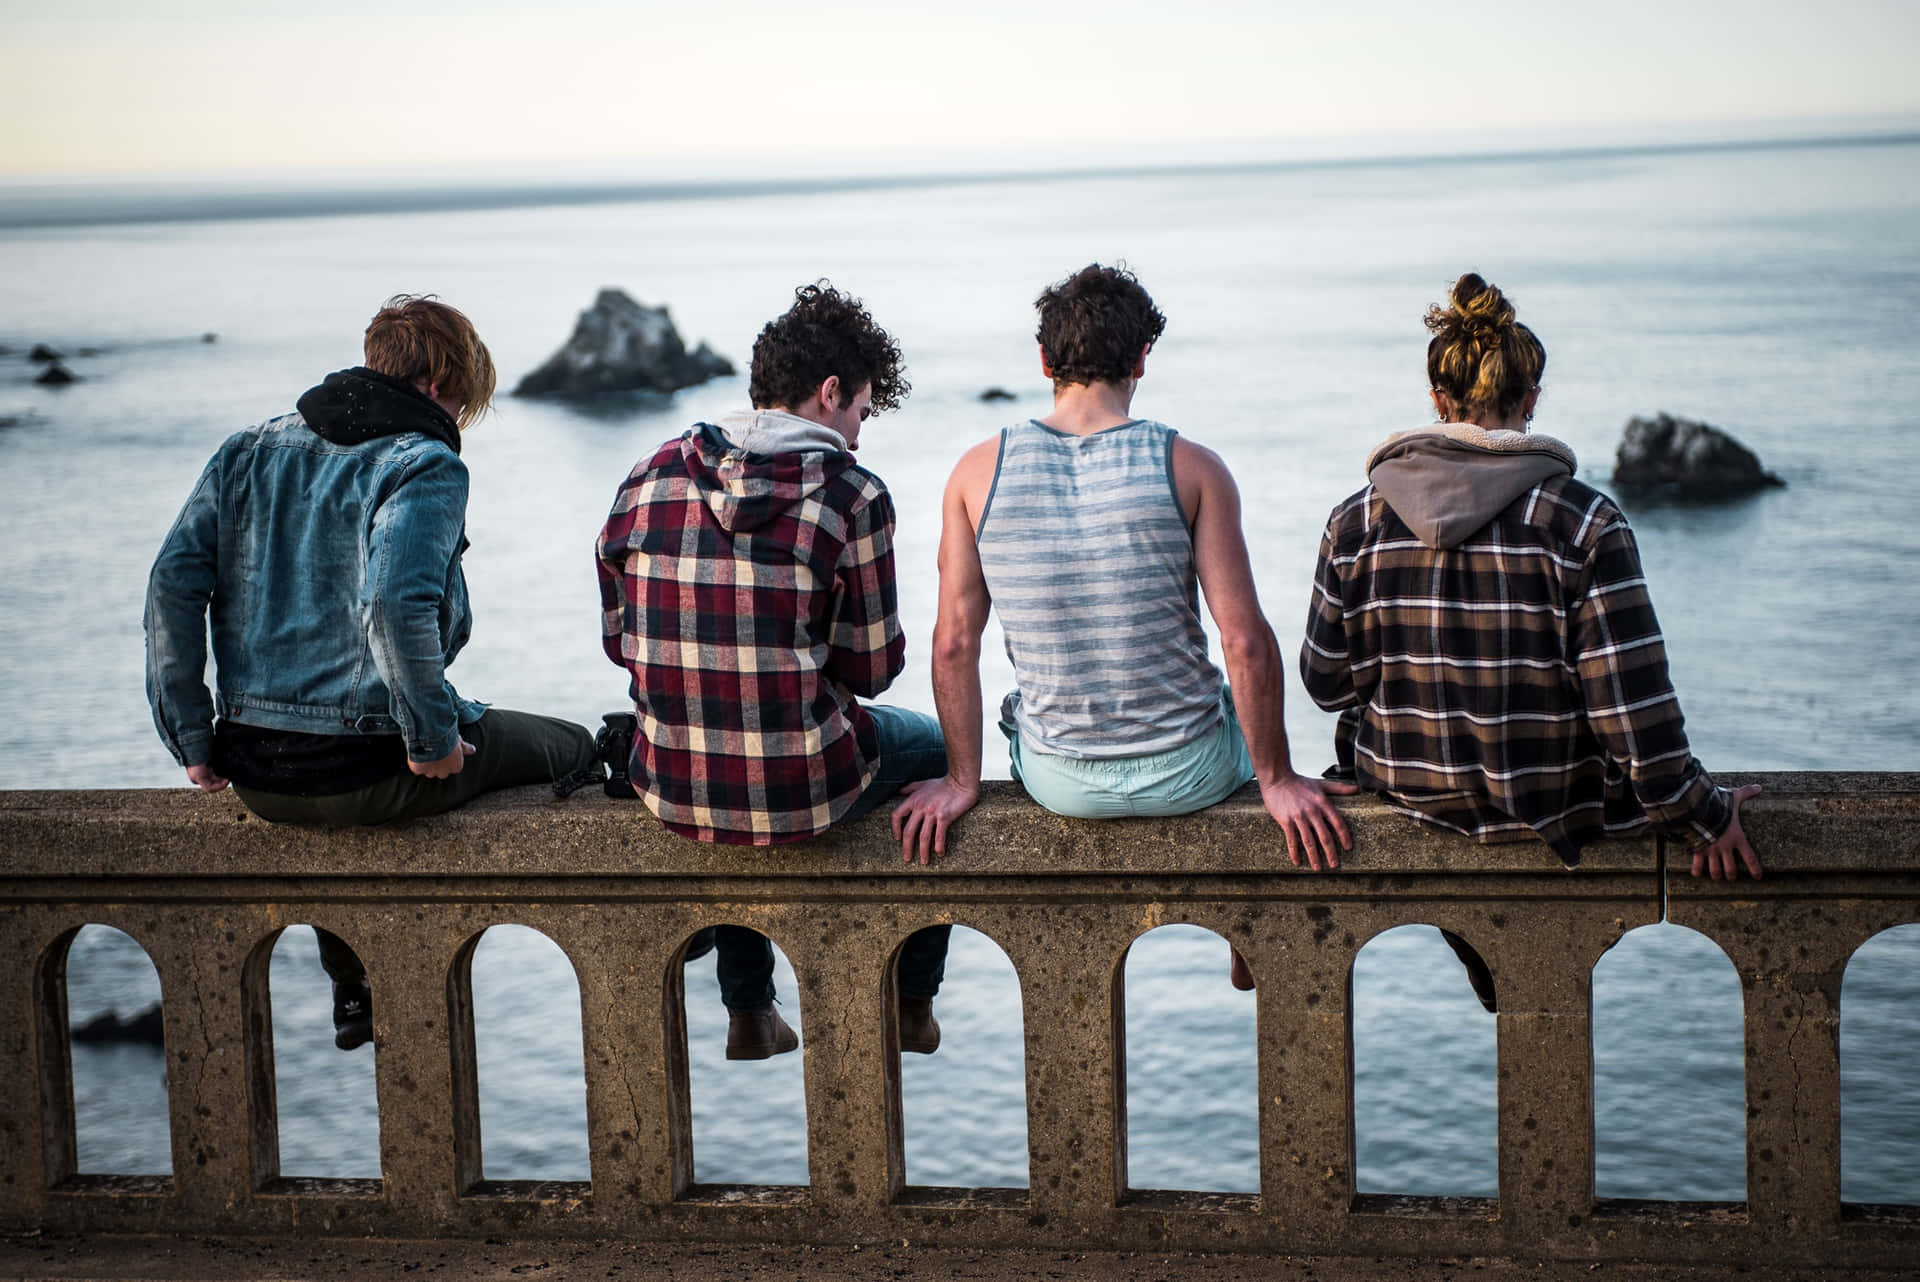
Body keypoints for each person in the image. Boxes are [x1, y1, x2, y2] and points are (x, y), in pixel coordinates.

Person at [145, 294, 598, 1051]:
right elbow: (394, 604)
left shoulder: (246, 450)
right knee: (572, 747)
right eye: (461, 400)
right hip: (369, 763)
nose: (458, 417)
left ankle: (352, 986)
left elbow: (171, 585)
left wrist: (191, 736)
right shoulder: (424, 462)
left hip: (255, 772)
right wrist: (430, 738)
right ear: (438, 382)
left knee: (337, 800)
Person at [1298, 272, 1762, 1010]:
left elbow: (1326, 684)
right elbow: (1631, 712)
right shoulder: (1584, 522)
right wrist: (1705, 814)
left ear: (1439, 403)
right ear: (1531, 400)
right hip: (1555, 805)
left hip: (1411, 792)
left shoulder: (1354, 522)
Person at [891, 263, 1354, 988]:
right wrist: (1278, 777)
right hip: (1191, 771)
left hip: (1058, 782)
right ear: (1142, 360)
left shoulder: (976, 474)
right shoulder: (1192, 467)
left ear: (1045, 363)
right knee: (1229, 712)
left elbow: (953, 644)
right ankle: (1243, 934)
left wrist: (959, 778)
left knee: (1031, 712)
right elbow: (1244, 642)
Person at [597, 281, 952, 1060]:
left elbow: (620, 638)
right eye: (860, 410)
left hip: (669, 777)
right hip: (805, 788)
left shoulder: (649, 473)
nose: (858, 435)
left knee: (719, 734)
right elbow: (874, 666)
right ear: (830, 394)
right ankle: (912, 1001)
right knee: (939, 755)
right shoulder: (851, 493)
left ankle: (749, 1010)